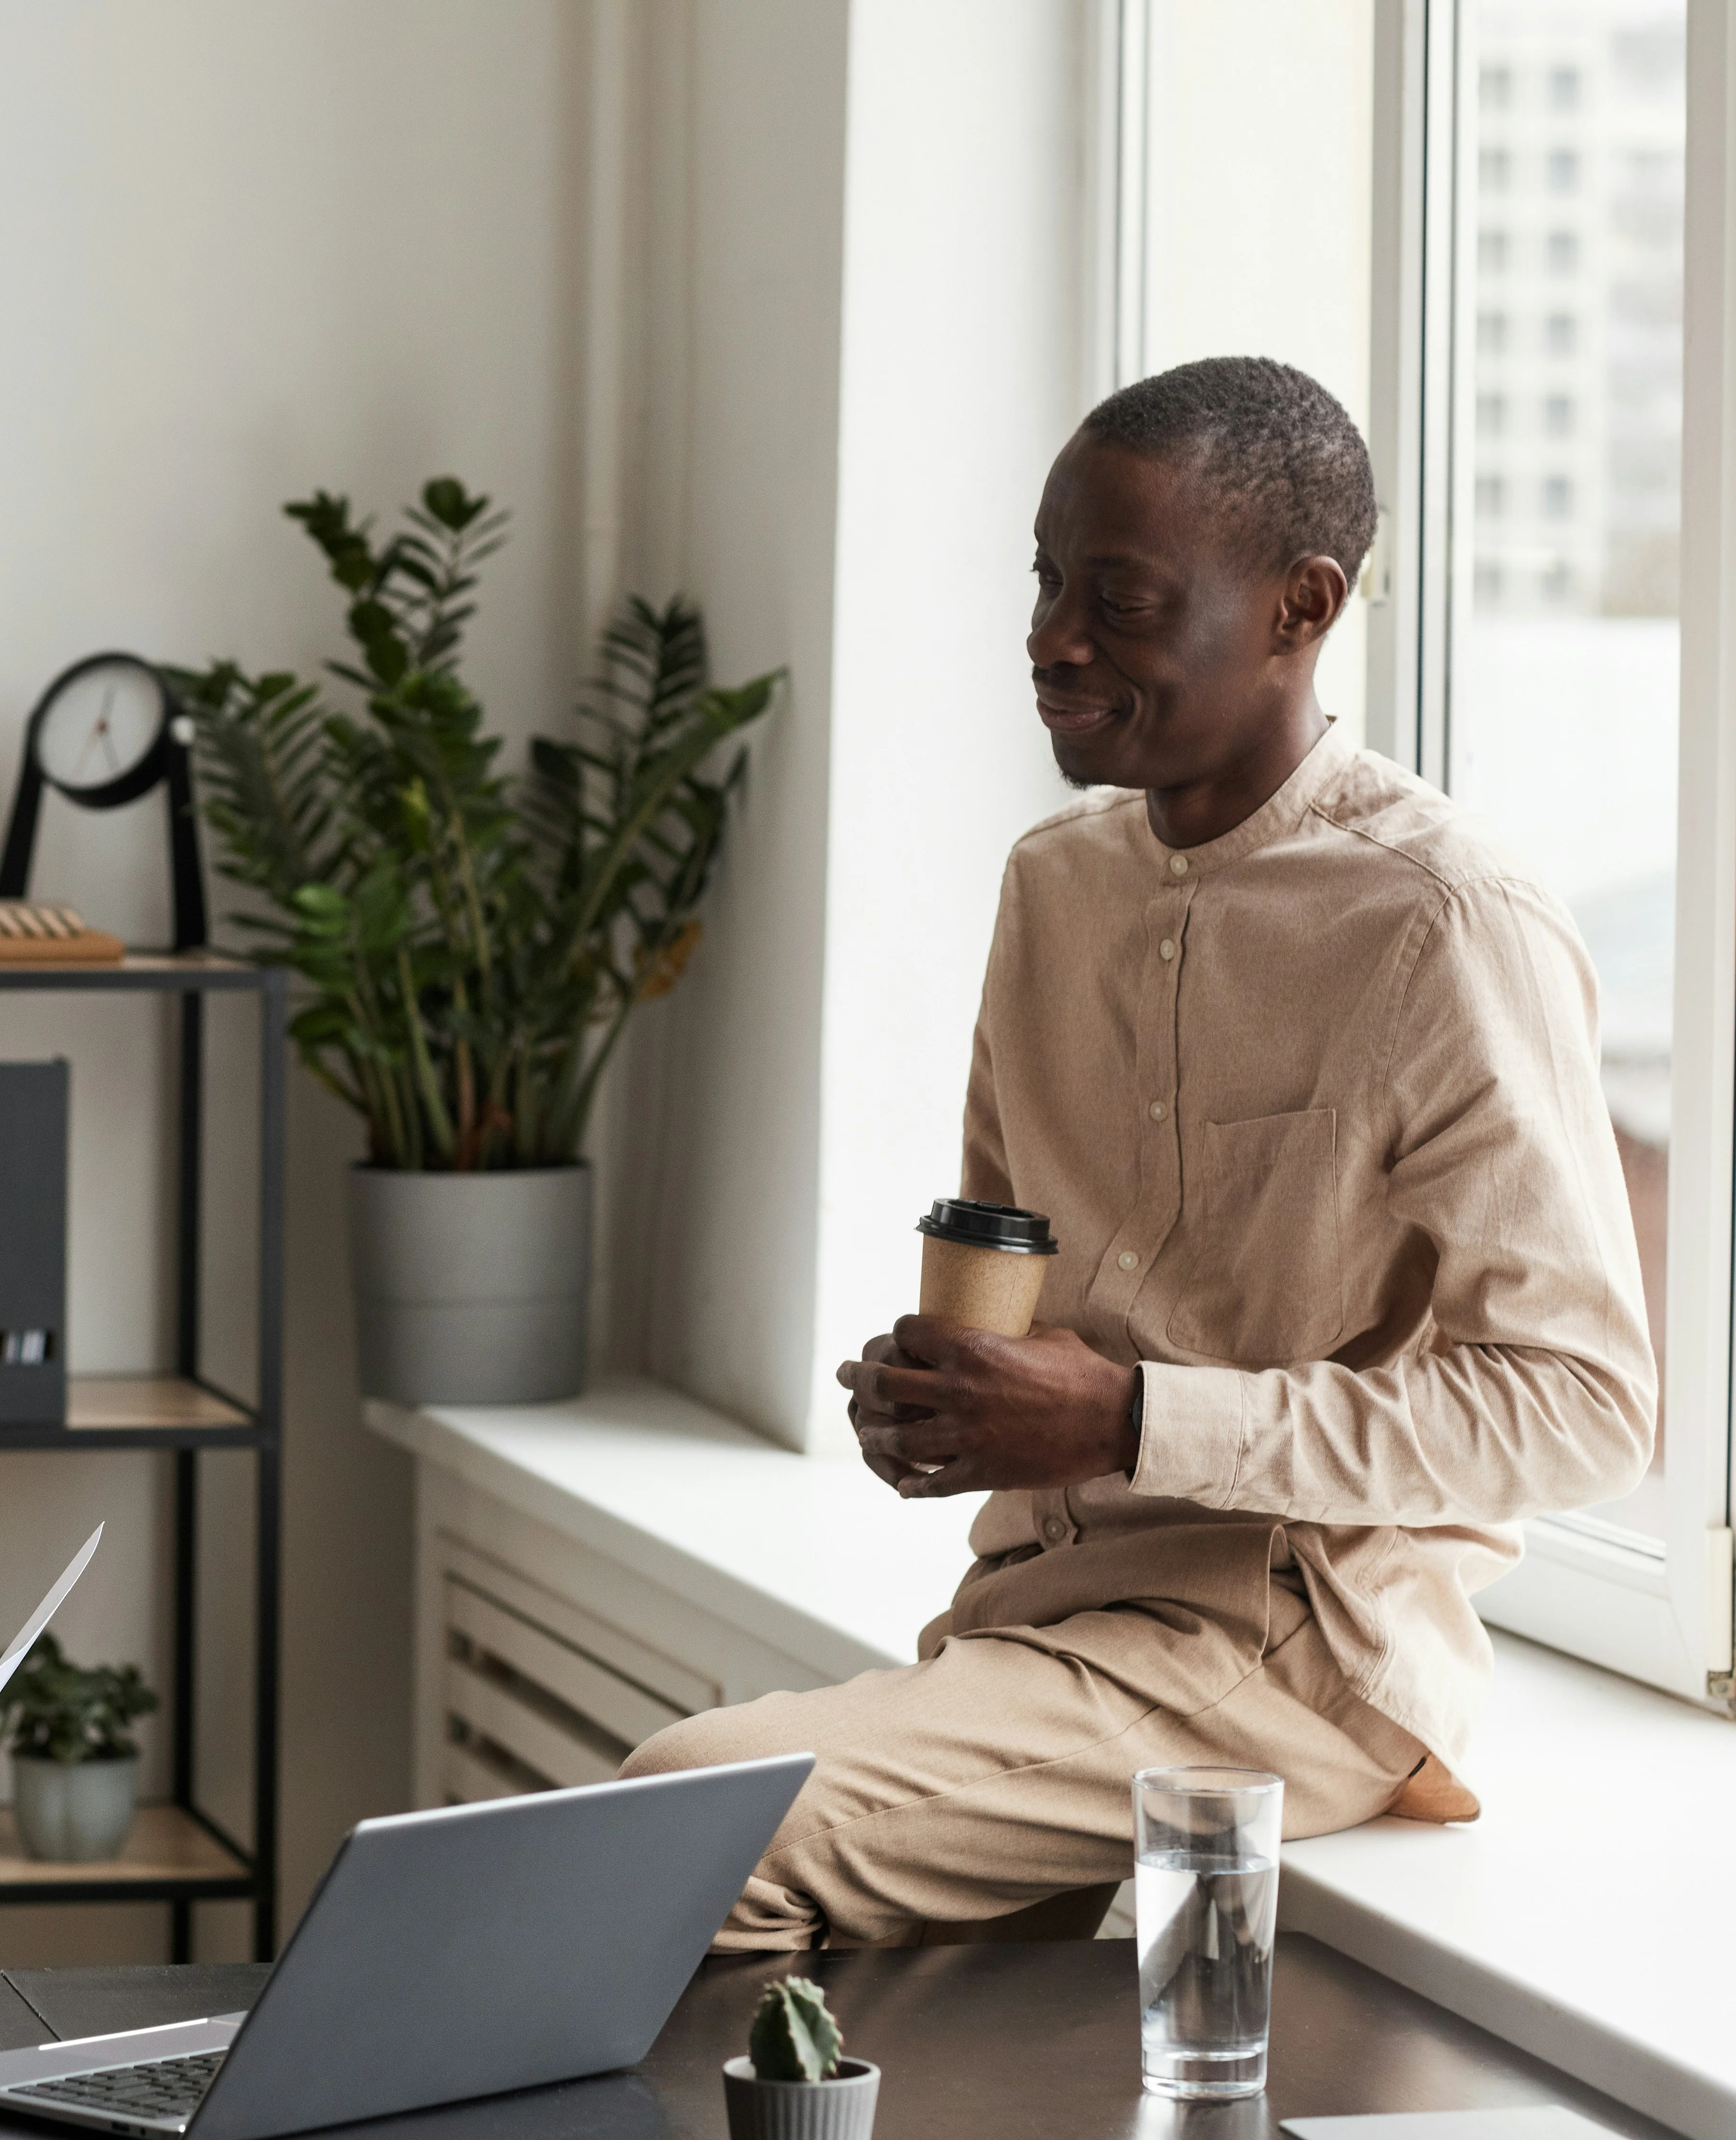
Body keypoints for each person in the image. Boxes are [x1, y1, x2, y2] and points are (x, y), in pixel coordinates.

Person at [622, 356, 1656, 1948]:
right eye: (1047, 581)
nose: (1051, 639)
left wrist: (1131, 1417)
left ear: (1300, 609)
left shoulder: (1446, 924)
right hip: (1037, 1614)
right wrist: (941, 1407)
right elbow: (1015, 1289)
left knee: (681, 1827)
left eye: (1118, 595)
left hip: (1296, 1650)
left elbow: (1583, 1408)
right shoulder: (1056, 887)